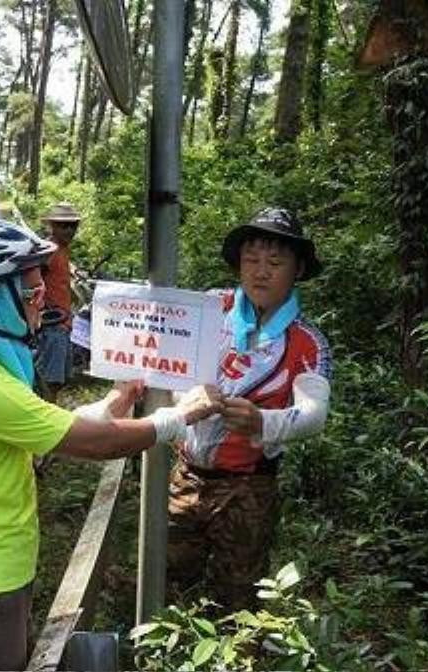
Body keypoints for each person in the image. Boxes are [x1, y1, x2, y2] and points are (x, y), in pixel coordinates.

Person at [0, 219, 222, 671]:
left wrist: (117, 400)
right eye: (31, 294)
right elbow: (92, 443)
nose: (43, 303)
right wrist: (179, 417)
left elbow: (52, 430)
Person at [167, 207, 333, 610]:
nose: (261, 272)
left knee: (239, 593)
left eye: (275, 262)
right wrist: (186, 399)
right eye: (252, 260)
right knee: (168, 578)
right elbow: (169, 363)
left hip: (249, 488)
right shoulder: (209, 309)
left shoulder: (307, 342)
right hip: (186, 475)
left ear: (297, 270)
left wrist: (261, 420)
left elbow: (314, 415)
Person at [36, 202, 82, 401]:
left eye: (73, 226)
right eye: (64, 225)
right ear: (52, 226)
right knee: (49, 380)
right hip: (52, 324)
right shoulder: (49, 250)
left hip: (63, 324)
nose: (69, 230)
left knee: (58, 380)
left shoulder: (62, 250)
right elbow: (34, 278)